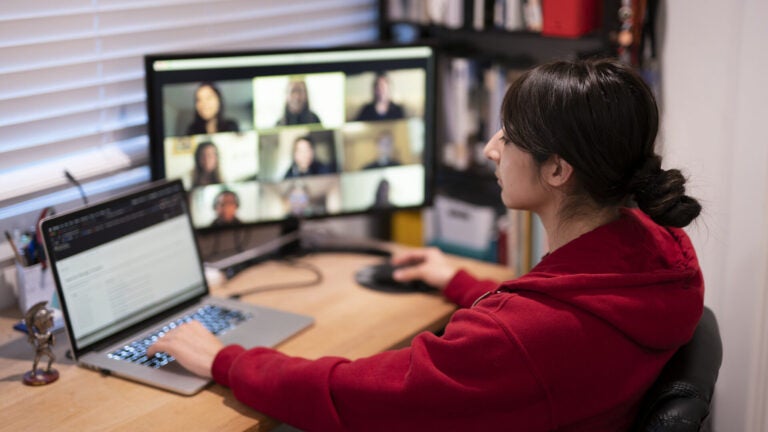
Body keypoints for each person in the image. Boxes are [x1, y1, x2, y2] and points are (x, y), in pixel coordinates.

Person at [148, 58, 705, 431]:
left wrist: (224, 358)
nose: (490, 148)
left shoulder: (522, 338)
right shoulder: (662, 253)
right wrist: (463, 284)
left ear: (558, 170)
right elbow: (562, 316)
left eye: (508, 136)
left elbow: (350, 394)